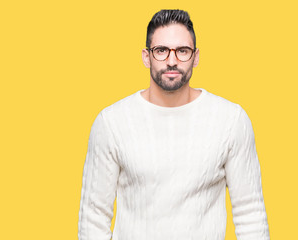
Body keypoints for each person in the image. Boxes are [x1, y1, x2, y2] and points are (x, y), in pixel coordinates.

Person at [78, 9, 270, 240]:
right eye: (161, 51)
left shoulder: (230, 119)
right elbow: (93, 217)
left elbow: (250, 213)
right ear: (146, 56)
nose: (171, 61)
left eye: (182, 51)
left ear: (195, 56)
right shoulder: (112, 122)